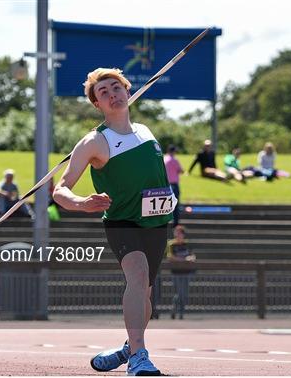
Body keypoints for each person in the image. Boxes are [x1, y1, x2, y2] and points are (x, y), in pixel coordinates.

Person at [53, 68, 175, 376]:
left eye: (116, 87)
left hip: (157, 221)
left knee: (145, 294)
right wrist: (81, 203)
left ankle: (127, 348)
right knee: (137, 277)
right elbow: (60, 189)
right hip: (123, 221)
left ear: (127, 90)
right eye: (103, 92)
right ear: (98, 105)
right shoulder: (94, 142)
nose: (112, 94)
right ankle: (138, 356)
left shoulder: (146, 132)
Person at [166, 225, 196, 320]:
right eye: (177, 233)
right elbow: (170, 256)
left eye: (180, 233)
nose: (178, 235)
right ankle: (175, 309)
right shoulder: (171, 244)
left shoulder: (186, 244)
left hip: (186, 272)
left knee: (184, 293)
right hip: (176, 272)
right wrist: (183, 260)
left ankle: (181, 313)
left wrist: (190, 258)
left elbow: (192, 256)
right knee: (179, 293)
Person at [163, 145, 183, 226]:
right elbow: (181, 171)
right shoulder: (174, 160)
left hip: (166, 185)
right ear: (173, 151)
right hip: (174, 184)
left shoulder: (163, 159)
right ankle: (175, 222)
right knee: (175, 204)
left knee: (166, 205)